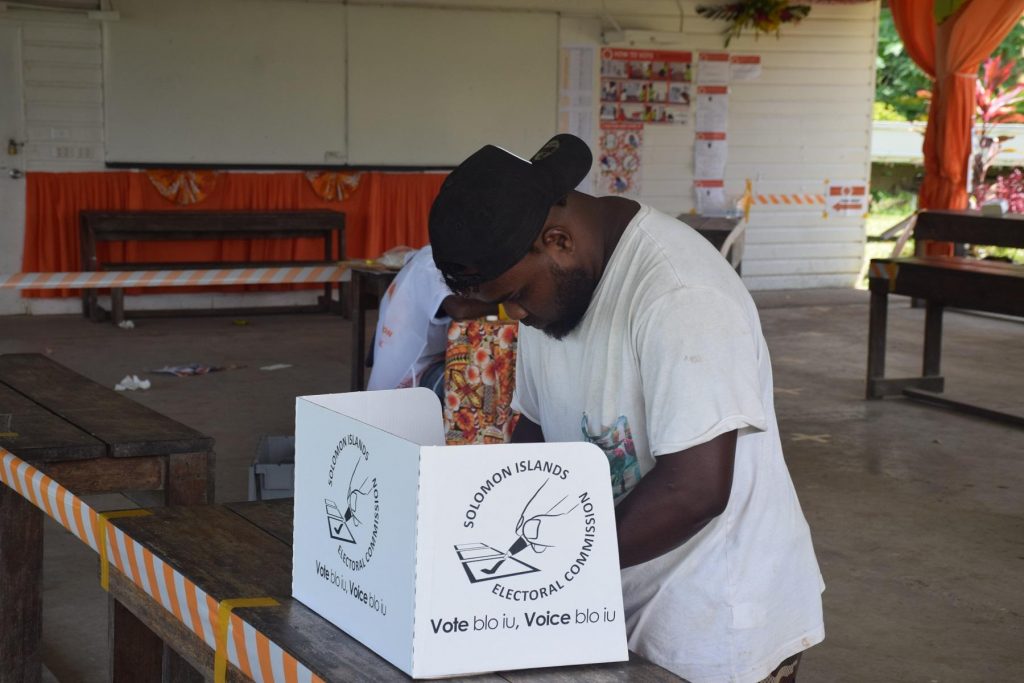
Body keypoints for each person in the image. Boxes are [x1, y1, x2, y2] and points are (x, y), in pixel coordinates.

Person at [428, 134, 824, 683]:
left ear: (559, 240)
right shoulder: (557, 290)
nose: (513, 315)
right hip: (614, 604)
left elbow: (696, 489)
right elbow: (535, 432)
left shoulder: (680, 296)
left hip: (716, 625)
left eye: (517, 294)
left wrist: (544, 570)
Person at [366, 245, 494, 399]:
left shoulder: (429, 253)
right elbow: (459, 310)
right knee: (479, 381)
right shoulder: (431, 264)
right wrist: (504, 307)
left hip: (410, 357)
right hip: (410, 374)